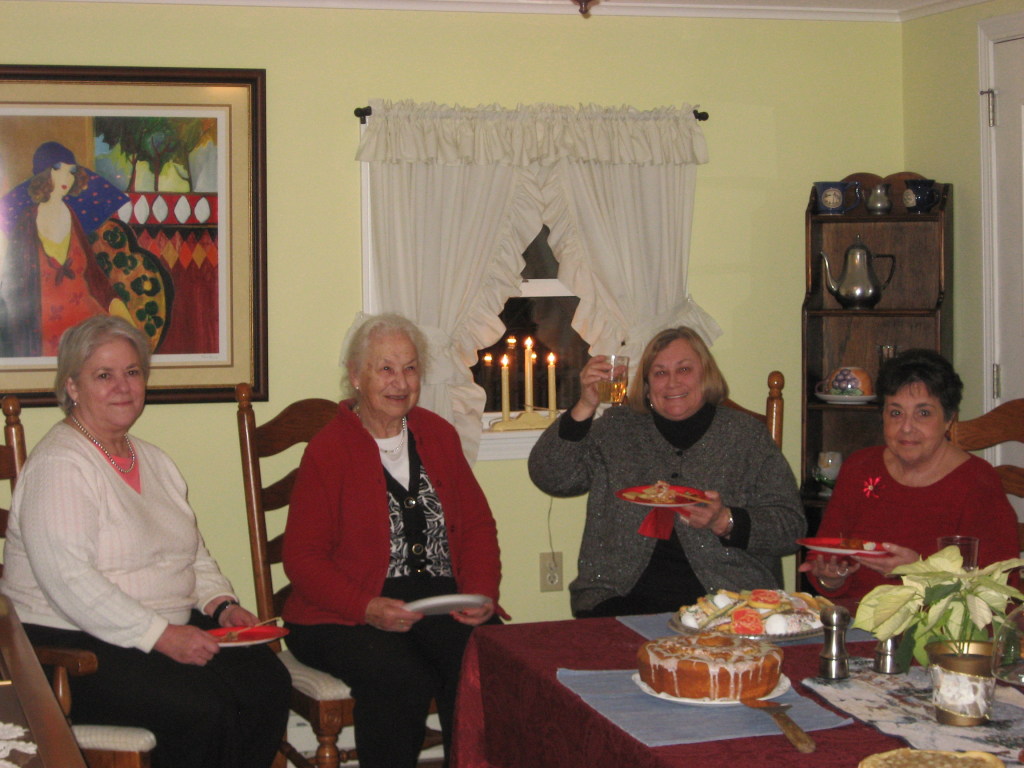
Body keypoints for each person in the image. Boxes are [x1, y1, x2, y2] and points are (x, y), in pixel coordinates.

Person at [0, 315, 290, 768]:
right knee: (200, 708)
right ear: (72, 387)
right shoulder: (59, 465)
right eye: (103, 375)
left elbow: (190, 552)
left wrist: (220, 605)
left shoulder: (153, 460)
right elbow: (69, 581)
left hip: (164, 628)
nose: (122, 386)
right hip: (74, 644)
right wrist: (161, 636)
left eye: (132, 372)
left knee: (266, 682)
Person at [282, 312, 503, 768]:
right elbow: (302, 560)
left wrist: (482, 591)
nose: (399, 382)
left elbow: (479, 526)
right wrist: (365, 606)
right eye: (385, 368)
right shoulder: (329, 450)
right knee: (399, 676)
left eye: (410, 368)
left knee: (487, 656)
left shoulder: (438, 435)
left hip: (435, 600)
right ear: (356, 377)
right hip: (341, 613)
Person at [528, 326, 805, 618]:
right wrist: (585, 405)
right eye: (660, 373)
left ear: (705, 374)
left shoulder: (745, 436)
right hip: (618, 596)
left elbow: (791, 527)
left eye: (684, 369)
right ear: (646, 384)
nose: (672, 383)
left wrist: (727, 521)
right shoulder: (616, 429)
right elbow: (552, 476)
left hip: (728, 601)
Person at [799, 348, 1020, 606]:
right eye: (895, 412)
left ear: (949, 419)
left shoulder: (977, 483)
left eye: (923, 413)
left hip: (937, 635)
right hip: (854, 625)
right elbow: (825, 561)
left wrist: (922, 571)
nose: (906, 426)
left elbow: (1000, 591)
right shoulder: (859, 468)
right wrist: (831, 578)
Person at [0, 141, 170, 357]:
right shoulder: (26, 220)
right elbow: (13, 288)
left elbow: (95, 277)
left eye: (71, 171)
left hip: (86, 322)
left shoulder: (72, 215)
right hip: (44, 332)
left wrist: (128, 322)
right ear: (43, 174)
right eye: (57, 169)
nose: (66, 177)